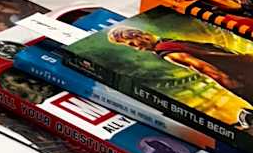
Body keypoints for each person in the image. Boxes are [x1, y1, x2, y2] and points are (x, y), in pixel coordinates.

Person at [107, 26, 253, 108]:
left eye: (132, 44)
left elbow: (207, 70)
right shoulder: (168, 44)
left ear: (140, 36)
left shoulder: (168, 52)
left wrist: (243, 91)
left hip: (244, 76)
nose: (136, 49)